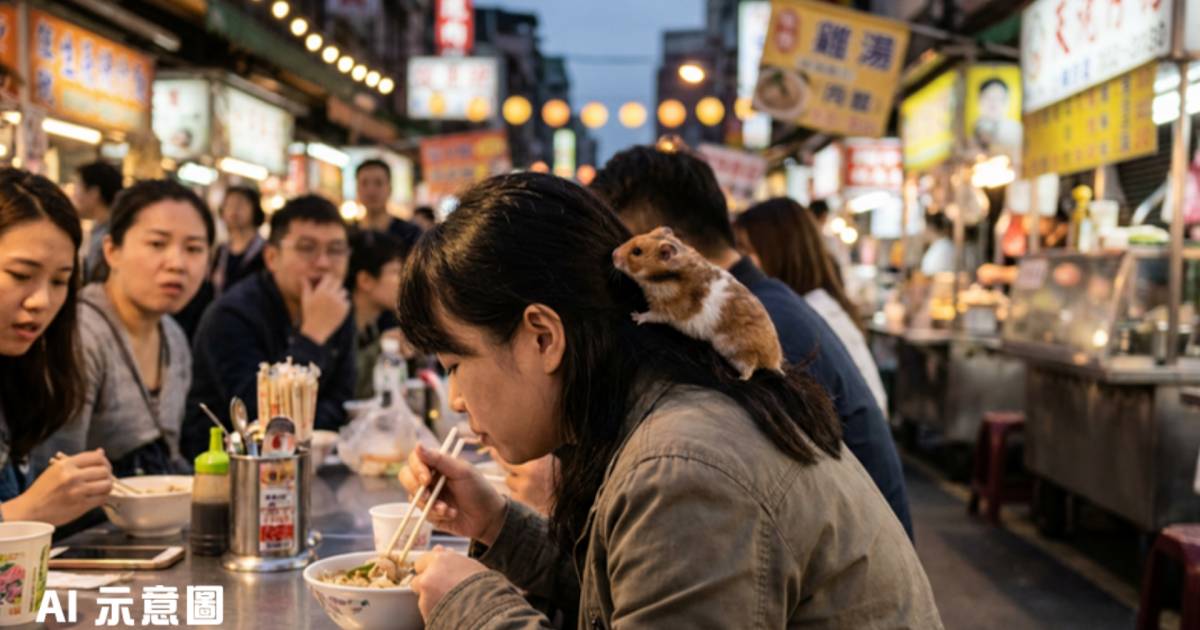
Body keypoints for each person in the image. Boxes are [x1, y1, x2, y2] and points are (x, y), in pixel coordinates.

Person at [395, 173, 940, 628]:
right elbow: (640, 590)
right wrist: (497, 524)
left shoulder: (682, 468)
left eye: (455, 367)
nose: (458, 401)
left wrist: (469, 608)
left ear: (543, 336)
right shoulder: (665, 403)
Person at [591, 144, 913, 536]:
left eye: (627, 248)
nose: (617, 264)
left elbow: (729, 491)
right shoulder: (754, 300)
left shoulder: (758, 322)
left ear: (668, 248)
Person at [32, 180, 213, 477]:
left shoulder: (174, 337)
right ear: (112, 250)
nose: (177, 263)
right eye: (157, 244)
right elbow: (52, 470)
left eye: (194, 248)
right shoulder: (78, 335)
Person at [182, 195, 355, 459]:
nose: (323, 263)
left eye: (335, 250)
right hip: (225, 473)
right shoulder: (232, 314)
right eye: (307, 248)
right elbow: (258, 418)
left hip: (310, 467)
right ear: (272, 257)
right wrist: (312, 336)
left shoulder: (337, 306)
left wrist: (309, 423)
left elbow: (342, 402)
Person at [0, 168, 114, 525]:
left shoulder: (26, 372)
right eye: (21, 275)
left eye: (60, 281)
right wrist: (27, 512)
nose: (42, 301)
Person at [736, 197, 888, 412]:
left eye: (747, 251)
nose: (743, 263)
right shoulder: (818, 302)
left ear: (779, 252)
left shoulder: (800, 314)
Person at [346, 229, 411, 399]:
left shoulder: (370, 327)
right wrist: (381, 350)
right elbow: (347, 391)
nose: (404, 280)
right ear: (365, 280)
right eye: (396, 272)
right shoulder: (337, 328)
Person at [73, 161, 123, 282]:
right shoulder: (101, 228)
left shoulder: (112, 234)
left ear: (94, 193)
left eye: (78, 186)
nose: (74, 194)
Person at [212, 186, 266, 294]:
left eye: (241, 204)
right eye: (229, 205)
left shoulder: (266, 252)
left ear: (255, 209)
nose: (234, 209)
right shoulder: (221, 251)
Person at [356, 159, 422, 248]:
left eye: (378, 183)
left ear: (390, 189)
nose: (371, 191)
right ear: (357, 189)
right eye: (364, 183)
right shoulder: (347, 234)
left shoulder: (410, 233)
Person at [921, 212, 955, 277]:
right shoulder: (939, 245)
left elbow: (932, 272)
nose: (922, 231)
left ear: (931, 227)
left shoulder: (944, 247)